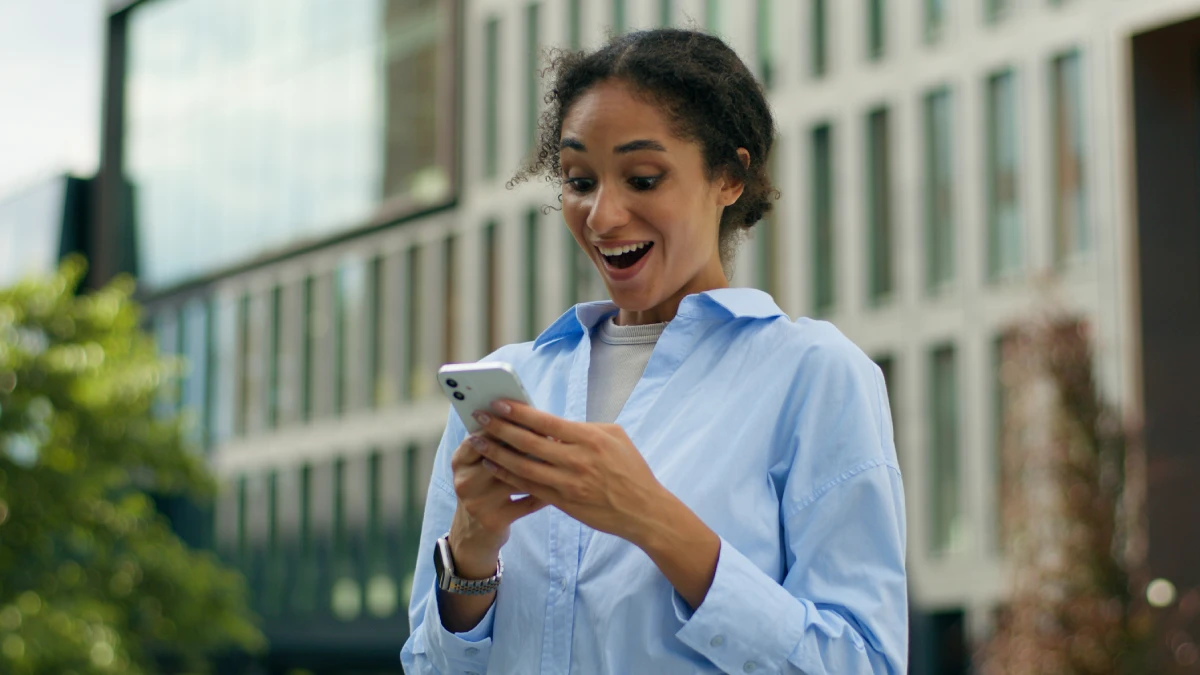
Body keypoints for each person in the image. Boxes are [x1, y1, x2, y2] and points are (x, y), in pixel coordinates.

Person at [400, 28, 907, 674]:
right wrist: (471, 555)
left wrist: (652, 518)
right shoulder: (512, 383)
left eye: (642, 177)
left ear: (729, 177)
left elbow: (864, 662)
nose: (603, 216)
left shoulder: (811, 375)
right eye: (579, 180)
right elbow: (426, 665)